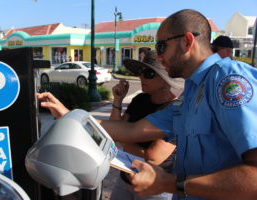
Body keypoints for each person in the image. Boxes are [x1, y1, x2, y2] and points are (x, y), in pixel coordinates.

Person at [37, 9, 257, 200]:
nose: (158, 57)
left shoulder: (228, 81)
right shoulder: (192, 92)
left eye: (161, 47)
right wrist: (70, 116)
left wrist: (171, 183)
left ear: (187, 41)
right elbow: (133, 130)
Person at [109, 50, 184, 200]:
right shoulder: (140, 99)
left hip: (155, 187)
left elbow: (153, 157)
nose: (141, 77)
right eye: (141, 72)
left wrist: (124, 138)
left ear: (165, 79)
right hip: (126, 176)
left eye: (148, 73)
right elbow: (115, 130)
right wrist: (117, 101)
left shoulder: (177, 110)